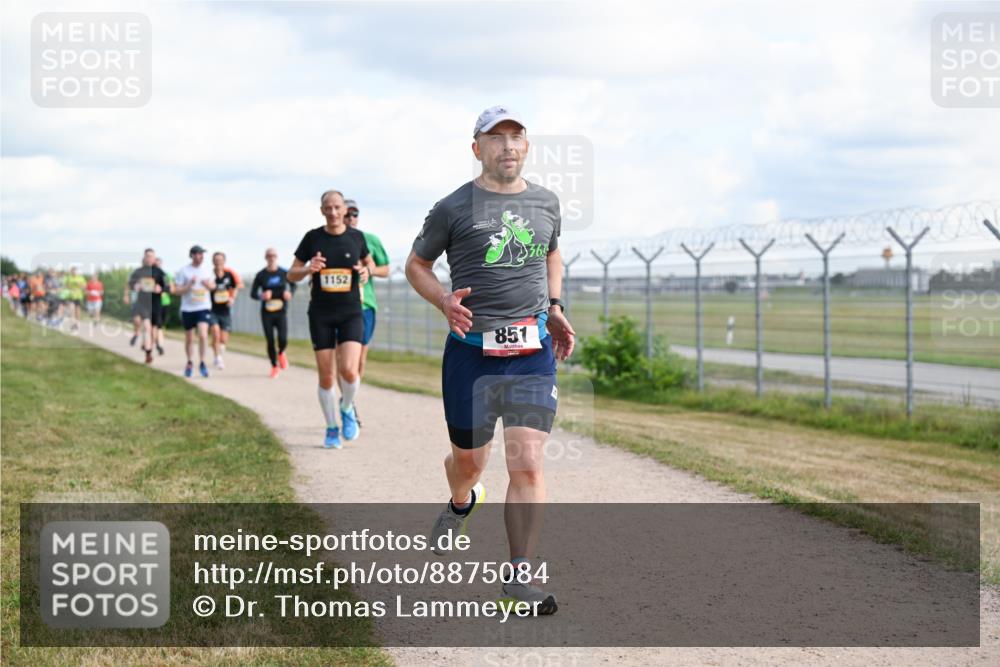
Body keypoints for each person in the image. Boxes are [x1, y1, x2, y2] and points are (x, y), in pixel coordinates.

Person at [404, 106, 575, 615]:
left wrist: (555, 306)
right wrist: (443, 300)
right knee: (469, 464)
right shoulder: (452, 207)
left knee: (527, 462)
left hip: (531, 353)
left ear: (527, 146)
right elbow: (416, 264)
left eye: (515, 136)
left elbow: (551, 252)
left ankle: (519, 575)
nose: (507, 145)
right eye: (495, 137)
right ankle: (462, 501)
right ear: (477, 148)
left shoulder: (546, 202)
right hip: (471, 355)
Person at [287, 190, 376, 449]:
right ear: (322, 210)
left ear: (344, 210)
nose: (333, 212)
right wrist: (308, 268)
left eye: (337, 207)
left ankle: (346, 407)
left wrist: (366, 271)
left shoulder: (356, 237)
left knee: (349, 370)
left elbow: (369, 264)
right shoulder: (312, 238)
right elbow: (291, 274)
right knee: (326, 376)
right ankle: (331, 428)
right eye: (328, 207)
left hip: (351, 312)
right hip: (321, 313)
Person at [345, 199, 391, 427]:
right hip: (339, 306)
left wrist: (369, 271)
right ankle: (348, 405)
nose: (350, 218)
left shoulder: (370, 240)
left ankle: (348, 400)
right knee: (344, 360)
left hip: (365, 305)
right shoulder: (328, 240)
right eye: (346, 213)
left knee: (360, 359)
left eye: (354, 214)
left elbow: (386, 269)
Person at [249, 248, 295, 378]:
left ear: (277, 257)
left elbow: (293, 285)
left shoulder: (284, 272)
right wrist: (262, 296)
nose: (271, 258)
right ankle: (274, 366)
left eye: (273, 255)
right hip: (267, 313)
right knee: (270, 340)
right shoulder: (261, 275)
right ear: (265, 258)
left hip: (281, 311)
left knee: (283, 339)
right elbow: (253, 294)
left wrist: (290, 293)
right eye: (269, 255)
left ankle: (281, 353)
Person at [173, 245, 215, 378]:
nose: (200, 256)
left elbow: (213, 287)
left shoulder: (207, 271)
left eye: (202, 254)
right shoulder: (184, 271)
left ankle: (202, 362)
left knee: (203, 334)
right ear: (192, 255)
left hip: (203, 307)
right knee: (189, 337)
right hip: (188, 308)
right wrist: (189, 285)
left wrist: (208, 285)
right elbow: (177, 291)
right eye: (197, 254)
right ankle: (190, 362)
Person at [125, 248, 167, 364]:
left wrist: (161, 289)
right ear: (144, 257)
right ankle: (148, 353)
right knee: (147, 327)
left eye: (151, 256)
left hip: (155, 304)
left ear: (154, 258)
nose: (149, 258)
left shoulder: (159, 272)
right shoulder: (138, 272)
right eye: (147, 256)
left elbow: (168, 286)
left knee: (153, 330)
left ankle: (149, 348)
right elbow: (130, 283)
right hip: (142, 303)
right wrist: (135, 286)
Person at [209, 251, 243, 370]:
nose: (218, 262)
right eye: (216, 260)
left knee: (223, 340)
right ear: (213, 262)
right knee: (215, 333)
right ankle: (218, 358)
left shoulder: (230, 273)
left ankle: (218, 349)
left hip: (225, 310)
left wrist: (232, 297)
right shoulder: (210, 275)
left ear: (224, 261)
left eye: (220, 260)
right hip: (212, 309)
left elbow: (239, 285)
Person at [154, 257, 171, 355]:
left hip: (164, 303)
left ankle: (158, 343)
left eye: (159, 264)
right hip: (154, 304)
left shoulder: (165, 275)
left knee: (160, 325)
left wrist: (162, 289)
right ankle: (159, 345)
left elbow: (170, 288)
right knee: (157, 325)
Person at [63, 266, 86, 331]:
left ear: (77, 271)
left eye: (75, 271)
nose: (73, 272)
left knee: (77, 311)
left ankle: (77, 324)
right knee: (71, 309)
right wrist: (70, 287)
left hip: (78, 296)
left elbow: (84, 287)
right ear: (71, 272)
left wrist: (79, 285)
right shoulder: (69, 277)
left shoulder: (80, 278)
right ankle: (73, 323)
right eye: (72, 271)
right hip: (71, 296)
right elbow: (65, 285)